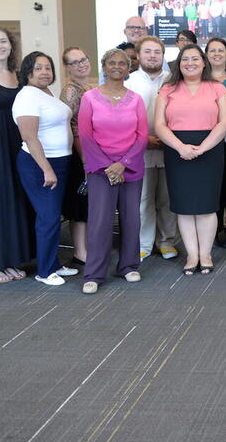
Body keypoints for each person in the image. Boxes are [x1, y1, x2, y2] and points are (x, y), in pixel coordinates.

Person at [155, 44, 226, 275]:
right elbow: (159, 125)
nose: (190, 63)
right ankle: (192, 255)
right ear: (179, 63)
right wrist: (181, 147)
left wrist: (202, 148)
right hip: (177, 151)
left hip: (210, 150)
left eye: (195, 58)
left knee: (207, 206)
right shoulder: (167, 89)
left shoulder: (217, 88)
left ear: (204, 62)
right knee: (185, 207)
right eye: (185, 59)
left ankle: (205, 254)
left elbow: (224, 123)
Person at [77, 49, 147, 294]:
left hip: (131, 168)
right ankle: (95, 274)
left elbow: (142, 136)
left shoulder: (136, 99)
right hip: (100, 170)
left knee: (131, 220)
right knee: (99, 223)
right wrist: (108, 165)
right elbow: (85, 134)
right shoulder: (90, 98)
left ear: (128, 69)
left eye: (122, 63)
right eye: (112, 63)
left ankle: (128, 266)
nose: (117, 66)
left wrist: (122, 163)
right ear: (104, 67)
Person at [12, 52, 78, 286]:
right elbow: (29, 137)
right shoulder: (28, 96)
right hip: (40, 164)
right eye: (38, 68)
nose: (44, 72)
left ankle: (54, 264)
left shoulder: (46, 93)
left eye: (48, 68)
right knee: (48, 217)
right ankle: (45, 270)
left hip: (59, 162)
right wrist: (47, 169)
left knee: (52, 216)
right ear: (27, 72)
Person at [0, 27, 33, 284]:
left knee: (17, 199)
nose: (0, 46)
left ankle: (12, 259)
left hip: (17, 142)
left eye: (4, 41)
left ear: (11, 45)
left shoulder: (19, 76)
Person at [124, 36, 178, 261]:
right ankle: (144, 243)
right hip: (139, 150)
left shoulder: (173, 80)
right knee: (143, 200)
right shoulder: (129, 81)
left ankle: (166, 241)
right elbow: (123, 118)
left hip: (170, 149)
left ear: (163, 55)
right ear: (138, 55)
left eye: (157, 52)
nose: (152, 56)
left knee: (167, 199)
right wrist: (143, 139)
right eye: (147, 51)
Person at [59, 47, 93, 266]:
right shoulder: (71, 90)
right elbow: (70, 126)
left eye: (84, 59)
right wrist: (83, 157)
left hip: (90, 152)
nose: (81, 64)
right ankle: (81, 252)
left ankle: (86, 249)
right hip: (79, 153)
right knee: (79, 206)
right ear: (67, 67)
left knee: (88, 204)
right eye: (75, 62)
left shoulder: (87, 87)